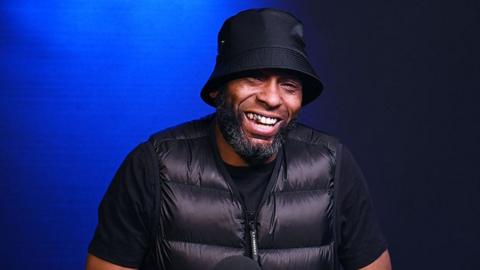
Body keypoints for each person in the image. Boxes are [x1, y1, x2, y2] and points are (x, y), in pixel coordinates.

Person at [86, 8, 392, 270]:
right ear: (219, 88)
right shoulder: (153, 168)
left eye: (288, 84)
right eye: (253, 77)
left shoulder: (332, 167)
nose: (272, 99)